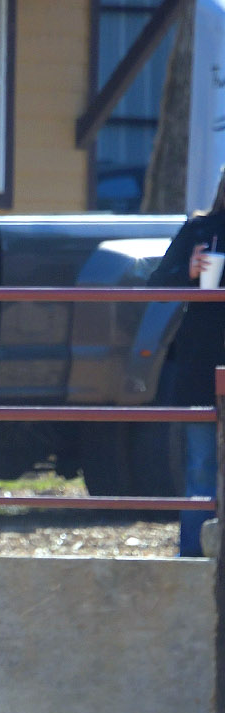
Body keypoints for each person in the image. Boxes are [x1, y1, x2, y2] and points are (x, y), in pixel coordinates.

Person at [146, 165, 225, 558]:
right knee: (201, 465)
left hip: (201, 362)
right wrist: (188, 271)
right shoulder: (200, 230)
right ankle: (194, 555)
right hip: (202, 362)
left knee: (201, 464)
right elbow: (156, 285)